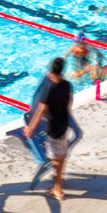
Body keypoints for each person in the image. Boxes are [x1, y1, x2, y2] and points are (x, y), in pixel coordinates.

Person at [23, 57, 73, 200]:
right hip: (64, 124)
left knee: (56, 158)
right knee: (61, 154)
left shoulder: (49, 88)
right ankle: (58, 179)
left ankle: (57, 188)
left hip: (53, 127)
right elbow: (69, 103)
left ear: (52, 70)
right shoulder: (67, 85)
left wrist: (30, 128)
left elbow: (40, 110)